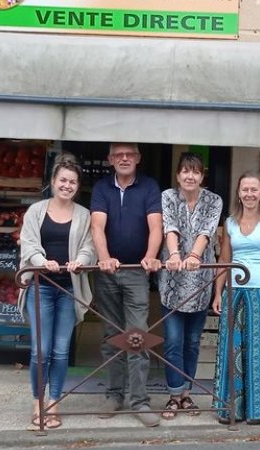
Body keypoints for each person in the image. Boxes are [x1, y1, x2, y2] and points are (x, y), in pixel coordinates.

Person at [19, 157, 96, 429]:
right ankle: (37, 403)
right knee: (41, 350)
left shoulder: (84, 214)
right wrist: (42, 262)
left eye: (72, 182)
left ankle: (54, 403)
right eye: (62, 180)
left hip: (68, 290)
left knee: (62, 351)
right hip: (41, 288)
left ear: (77, 186)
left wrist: (81, 260)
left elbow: (90, 246)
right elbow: (27, 245)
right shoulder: (35, 211)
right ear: (52, 182)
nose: (67, 185)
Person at [90, 142, 163, 427]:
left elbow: (155, 226)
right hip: (109, 271)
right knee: (111, 335)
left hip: (135, 272)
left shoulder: (149, 187)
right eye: (118, 155)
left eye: (129, 154)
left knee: (137, 335)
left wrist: (150, 257)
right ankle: (114, 394)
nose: (124, 158)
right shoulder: (101, 188)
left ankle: (140, 400)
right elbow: (97, 226)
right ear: (109, 159)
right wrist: (104, 258)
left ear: (138, 158)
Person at [212, 171, 260, 424]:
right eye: (245, 190)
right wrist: (218, 292)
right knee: (231, 349)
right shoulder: (230, 222)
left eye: (254, 189)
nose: (250, 194)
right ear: (239, 193)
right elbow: (224, 260)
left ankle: (258, 410)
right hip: (234, 291)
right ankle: (230, 408)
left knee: (258, 351)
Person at [158, 153, 223, 420]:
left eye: (195, 172)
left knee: (192, 342)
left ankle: (186, 394)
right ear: (177, 175)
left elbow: (205, 232)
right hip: (172, 281)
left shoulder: (213, 200)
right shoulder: (168, 196)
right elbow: (169, 227)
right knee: (173, 341)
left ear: (202, 176)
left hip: (199, 282)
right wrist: (174, 254)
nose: (190, 176)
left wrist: (194, 256)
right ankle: (174, 395)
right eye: (185, 171)